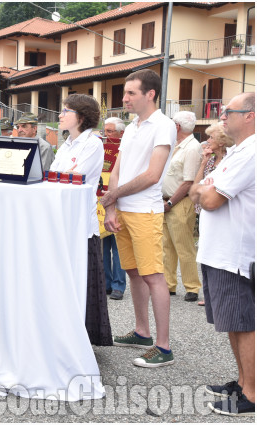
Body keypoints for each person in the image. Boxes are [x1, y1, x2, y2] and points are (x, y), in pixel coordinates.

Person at [101, 69, 176, 368]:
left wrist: (111, 197)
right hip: (123, 209)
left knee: (153, 276)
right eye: (125, 92)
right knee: (133, 272)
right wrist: (110, 206)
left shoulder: (164, 125)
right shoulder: (132, 126)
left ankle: (164, 347)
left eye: (131, 92)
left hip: (145, 210)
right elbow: (117, 168)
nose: (125, 98)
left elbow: (152, 175)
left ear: (151, 94)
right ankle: (142, 332)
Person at [189, 92, 255, 417]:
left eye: (229, 111)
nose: (222, 115)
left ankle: (252, 393)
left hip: (236, 254)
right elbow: (196, 192)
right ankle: (244, 382)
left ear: (251, 116)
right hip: (218, 253)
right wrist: (204, 191)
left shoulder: (251, 152)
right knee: (232, 321)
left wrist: (204, 192)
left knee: (243, 323)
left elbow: (211, 200)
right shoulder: (236, 152)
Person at [49, 94, 112, 346]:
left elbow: (74, 176)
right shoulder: (66, 144)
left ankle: (84, 339)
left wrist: (55, 176)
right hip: (60, 220)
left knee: (83, 282)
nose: (60, 115)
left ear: (82, 117)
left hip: (80, 224)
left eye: (66, 111)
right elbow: (52, 175)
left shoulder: (92, 143)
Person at [162, 111, 203, 301]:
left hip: (178, 202)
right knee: (166, 246)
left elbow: (188, 181)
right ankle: (168, 284)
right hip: (166, 201)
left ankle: (192, 287)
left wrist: (170, 203)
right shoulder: (177, 145)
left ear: (177, 126)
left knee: (184, 246)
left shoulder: (192, 148)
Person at [193, 123, 234, 307]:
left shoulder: (230, 160)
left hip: (219, 210)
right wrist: (203, 162)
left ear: (221, 141)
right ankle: (208, 294)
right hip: (203, 209)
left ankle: (216, 295)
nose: (207, 141)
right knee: (205, 248)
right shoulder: (210, 160)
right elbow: (196, 185)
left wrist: (203, 188)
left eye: (211, 138)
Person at [102, 117, 127, 300]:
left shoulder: (127, 150)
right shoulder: (100, 148)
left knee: (118, 247)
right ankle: (105, 283)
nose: (106, 135)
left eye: (110, 131)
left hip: (121, 201)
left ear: (121, 133)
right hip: (100, 201)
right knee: (103, 245)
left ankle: (119, 285)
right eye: (105, 131)